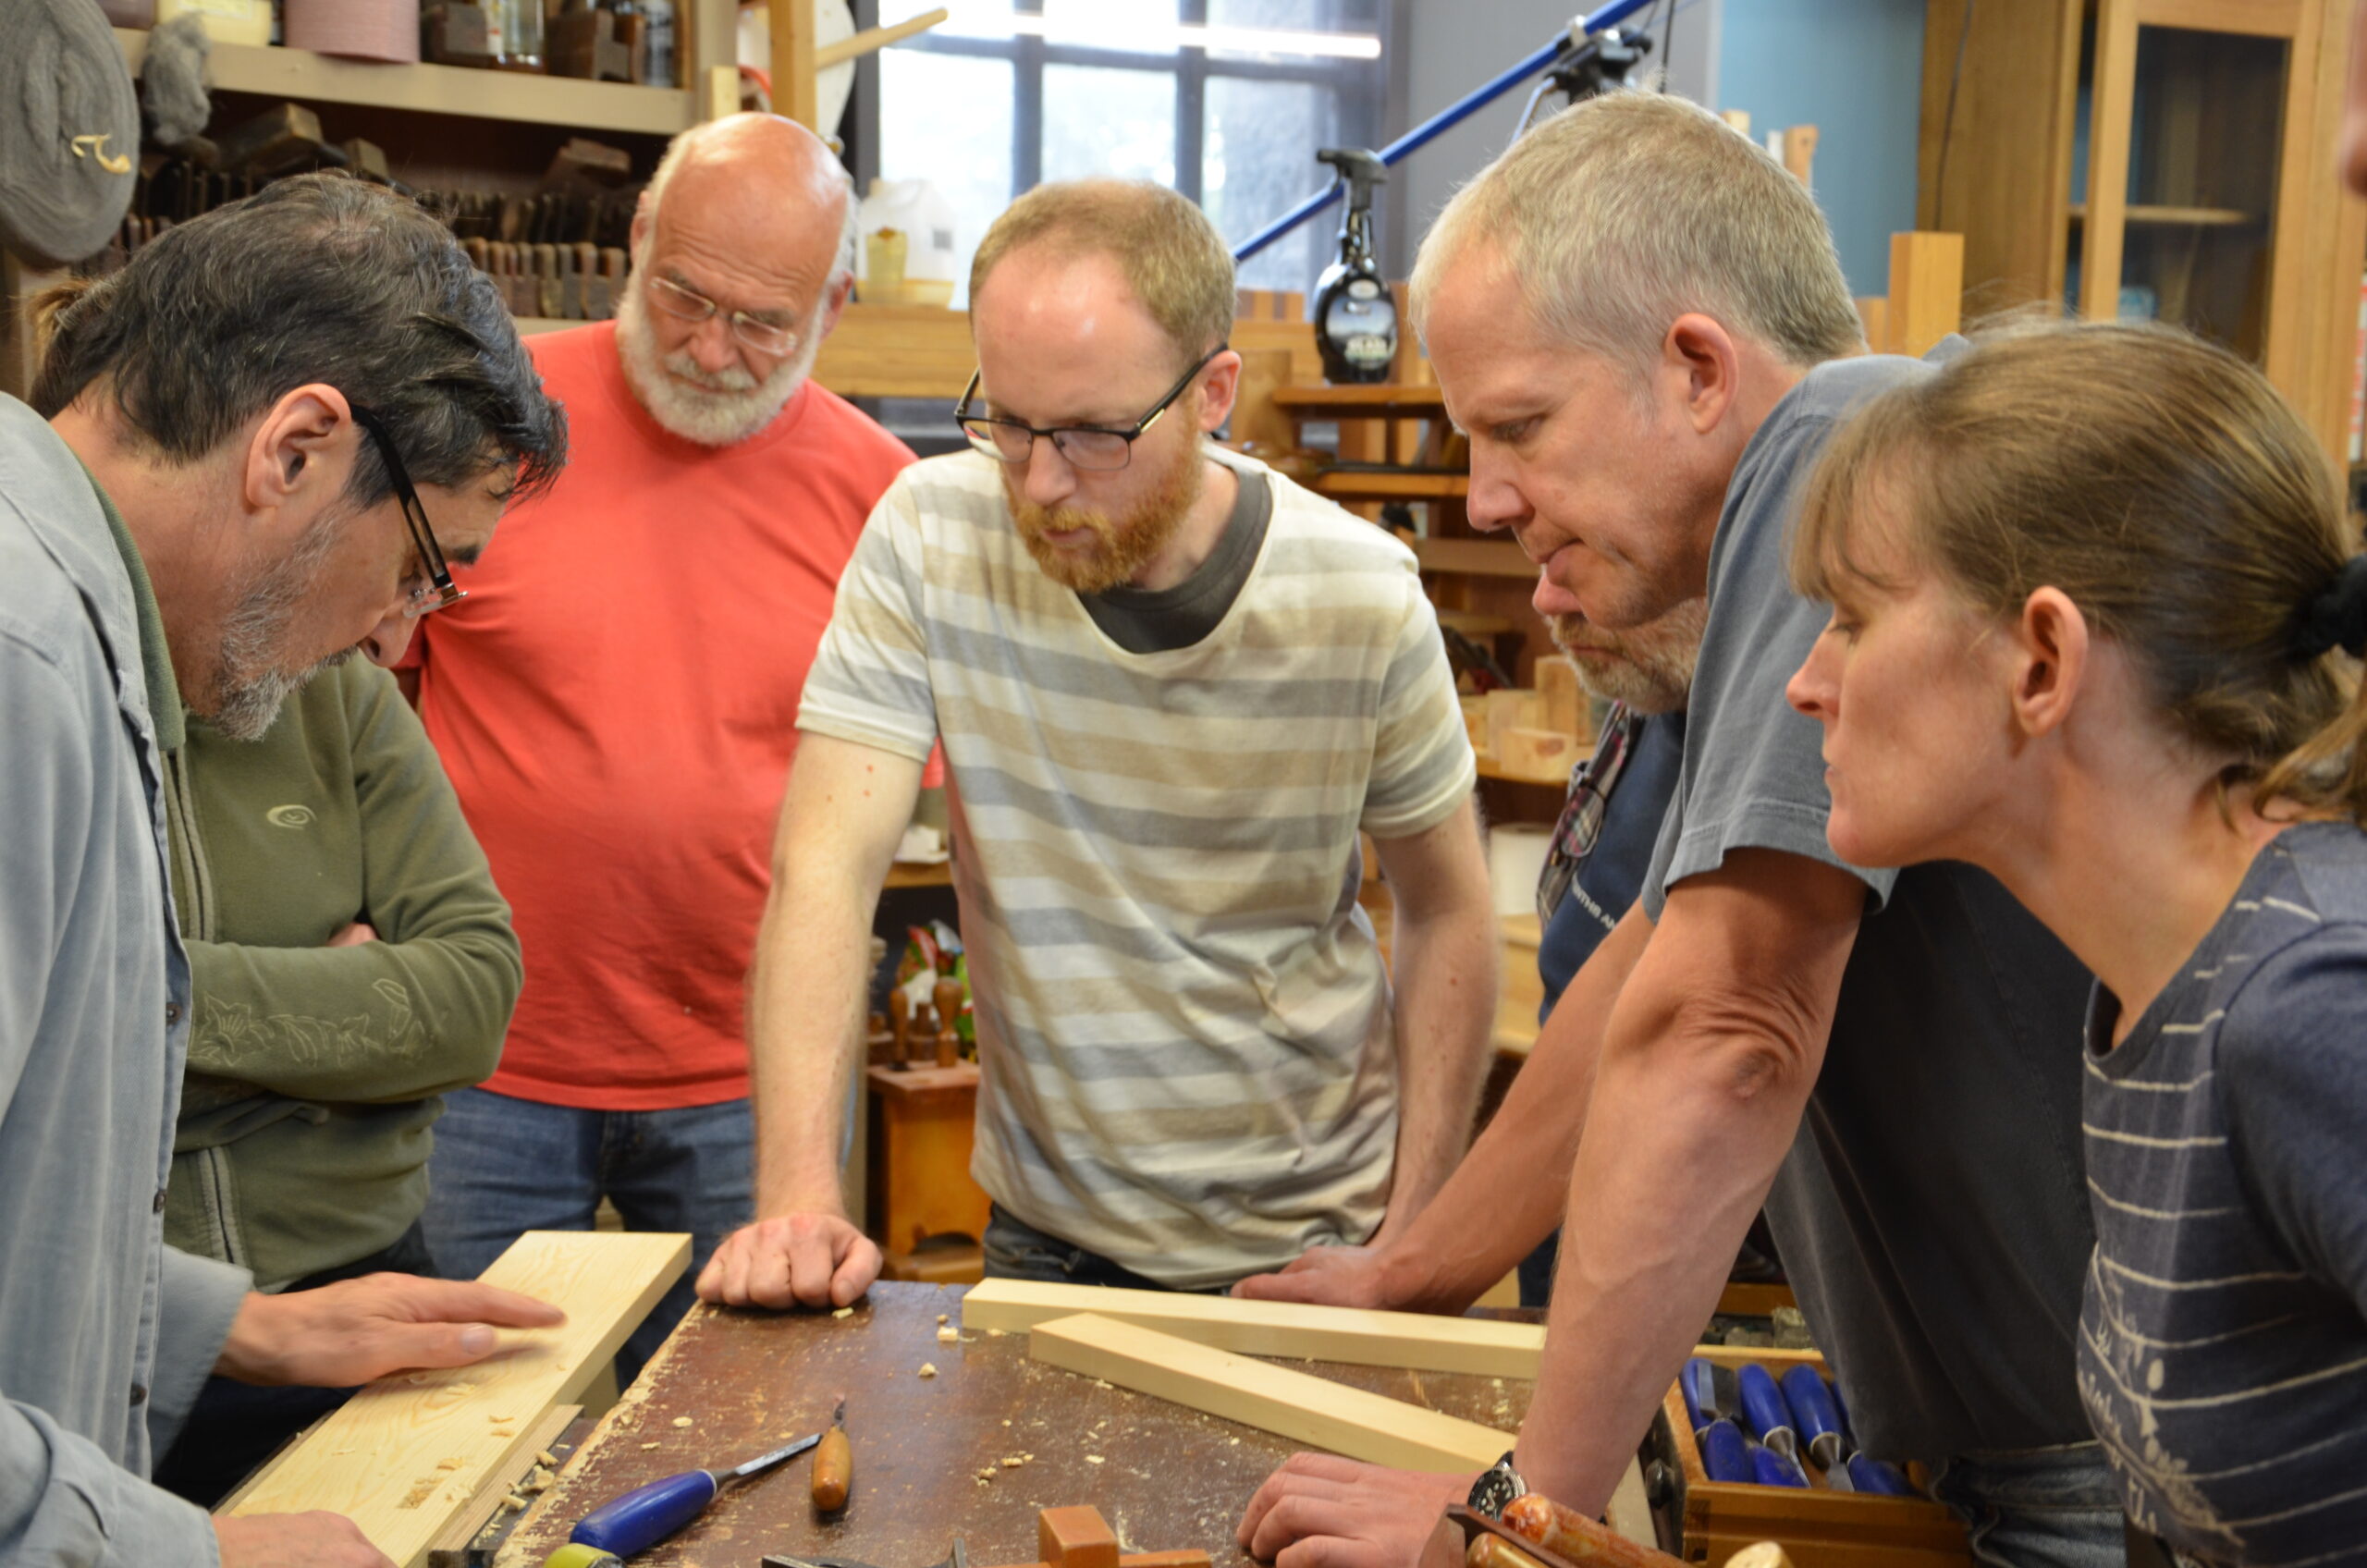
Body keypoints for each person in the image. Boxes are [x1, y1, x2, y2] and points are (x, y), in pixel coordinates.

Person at [1236, 92, 2119, 1568]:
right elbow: (1658, 957)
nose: (1486, 497)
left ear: (1700, 370)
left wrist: (1515, 1524)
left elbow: (1732, 1020)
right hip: (2023, 1450)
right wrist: (1415, 1271)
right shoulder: (1798, 549)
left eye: (1520, 427)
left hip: (2095, 1477)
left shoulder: (1840, 442)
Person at [698, 178, 1497, 1308]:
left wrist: (1411, 1239)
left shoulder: (1358, 593)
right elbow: (825, 870)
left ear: (1212, 393)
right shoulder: (931, 536)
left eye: (1091, 434)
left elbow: (1447, 909)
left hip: (1313, 1242)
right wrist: (796, 1194)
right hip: (1048, 1240)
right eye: (1010, 423)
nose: (1039, 482)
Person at [4, 172, 567, 1567]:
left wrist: (225, 1324)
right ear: (298, 448)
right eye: (421, 565)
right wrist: (191, 1554)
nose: (394, 636)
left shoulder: (74, 629)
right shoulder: (20, 664)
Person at [1784, 319, 2367, 1566]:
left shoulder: (2314, 1004)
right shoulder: (2151, 991)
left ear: (2042, 660)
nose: (1806, 682)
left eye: (1852, 618)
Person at [402, 112, 914, 1380]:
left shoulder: (886, 501)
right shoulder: (488, 424)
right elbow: (354, 706)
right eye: (684, 294)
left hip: (754, 1082)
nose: (710, 349)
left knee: (754, 1413)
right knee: (470, 1426)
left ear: (834, 307)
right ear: (638, 237)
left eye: (763, 324)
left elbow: (883, 803)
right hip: (481, 1058)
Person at [143, 641, 522, 1506]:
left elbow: (472, 999)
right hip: (108, 1335)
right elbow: (62, 1017)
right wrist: (328, 1028)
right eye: (411, 575)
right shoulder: (47, 683)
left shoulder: (343, 687)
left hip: (369, 1292)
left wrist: (159, 1026)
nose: (395, 638)